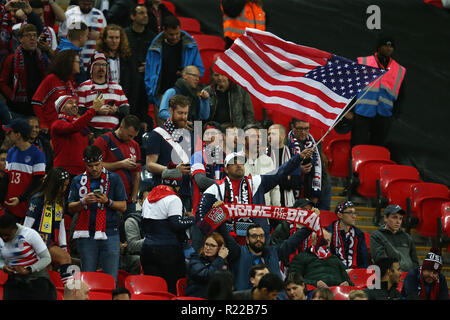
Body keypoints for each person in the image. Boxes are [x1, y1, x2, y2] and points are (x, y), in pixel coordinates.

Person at [194, 147, 314, 250]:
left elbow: (280, 172)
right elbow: (201, 219)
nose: (239, 165)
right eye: (234, 163)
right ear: (226, 169)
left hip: (256, 240)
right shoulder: (215, 189)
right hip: (227, 243)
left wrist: (298, 158)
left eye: (241, 162)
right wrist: (215, 216)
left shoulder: (256, 182)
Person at [68, 145, 127, 282]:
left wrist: (108, 202)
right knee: (87, 278)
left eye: (97, 165)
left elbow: (123, 207)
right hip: (86, 234)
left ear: (102, 162)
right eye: (90, 165)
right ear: (84, 163)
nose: (94, 169)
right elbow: (70, 208)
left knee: (110, 279)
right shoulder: (77, 181)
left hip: (110, 232)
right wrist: (82, 202)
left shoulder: (114, 179)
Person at [140, 162, 195, 294]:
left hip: (147, 250)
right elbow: (176, 224)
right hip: (167, 252)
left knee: (153, 291)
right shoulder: (173, 198)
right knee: (170, 291)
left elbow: (142, 224)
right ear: (177, 184)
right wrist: (193, 219)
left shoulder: (148, 197)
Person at [144, 15, 204, 125]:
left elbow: (200, 70)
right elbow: (149, 74)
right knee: (164, 134)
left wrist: (186, 73)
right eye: (171, 34)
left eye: (177, 33)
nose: (175, 37)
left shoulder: (190, 45)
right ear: (164, 31)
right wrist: (151, 94)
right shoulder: (154, 48)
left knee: (188, 133)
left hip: (185, 96)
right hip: (161, 96)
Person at [351, 36, 406, 147]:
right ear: (379, 47)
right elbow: (352, 87)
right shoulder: (363, 62)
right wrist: (348, 110)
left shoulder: (399, 69)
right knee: (358, 146)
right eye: (385, 45)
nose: (388, 48)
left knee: (377, 147)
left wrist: (394, 115)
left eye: (391, 46)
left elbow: (401, 95)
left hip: (384, 115)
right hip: (362, 113)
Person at [23, 167, 73, 284]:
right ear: (55, 185)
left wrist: (64, 246)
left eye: (66, 186)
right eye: (63, 186)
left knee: (47, 273)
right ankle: (69, 291)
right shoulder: (38, 200)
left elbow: (60, 224)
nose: (65, 189)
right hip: (36, 243)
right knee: (65, 258)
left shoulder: (59, 201)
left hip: (49, 242)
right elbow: (26, 227)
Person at [145, 95, 194, 212]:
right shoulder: (157, 134)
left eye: (186, 113)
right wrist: (173, 170)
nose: (183, 117)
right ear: (171, 110)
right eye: (180, 113)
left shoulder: (189, 135)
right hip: (163, 192)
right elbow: (150, 165)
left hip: (186, 192)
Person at [0, 213, 57, 300]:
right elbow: (0, 259)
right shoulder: (1, 238)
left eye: (7, 235)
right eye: (1, 235)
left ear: (15, 229)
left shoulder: (29, 234)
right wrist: (3, 267)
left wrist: (29, 269)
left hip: (36, 278)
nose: (3, 238)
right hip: (15, 281)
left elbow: (46, 258)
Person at [94, 114, 142, 217]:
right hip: (107, 197)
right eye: (129, 135)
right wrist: (120, 164)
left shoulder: (135, 145)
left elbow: (137, 173)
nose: (131, 139)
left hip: (128, 200)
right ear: (121, 127)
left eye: (134, 136)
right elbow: (94, 166)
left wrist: (134, 197)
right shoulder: (104, 140)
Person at [0, 118, 46, 224]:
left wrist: (20, 199)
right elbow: (6, 179)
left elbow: (37, 183)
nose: (7, 135)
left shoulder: (37, 154)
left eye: (10, 132)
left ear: (18, 135)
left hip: (27, 209)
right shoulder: (11, 152)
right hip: (9, 207)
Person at [0, 23, 50, 119]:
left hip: (38, 107)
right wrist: (12, 97)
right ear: (20, 39)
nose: (32, 38)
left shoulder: (42, 58)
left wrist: (48, 50)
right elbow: (2, 83)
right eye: (28, 35)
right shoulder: (11, 59)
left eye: (34, 35)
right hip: (17, 109)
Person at [77, 52, 130, 137]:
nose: (101, 67)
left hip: (114, 132)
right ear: (92, 67)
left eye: (104, 65)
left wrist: (115, 111)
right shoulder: (84, 87)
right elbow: (79, 112)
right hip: (92, 133)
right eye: (97, 64)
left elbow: (126, 110)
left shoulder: (117, 87)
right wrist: (96, 111)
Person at [50, 94, 103, 177]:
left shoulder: (81, 126)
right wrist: (93, 109)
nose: (75, 105)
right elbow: (73, 127)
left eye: (75, 103)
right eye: (70, 103)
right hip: (63, 171)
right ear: (62, 108)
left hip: (81, 172)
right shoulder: (57, 124)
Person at [287, 118, 331, 210]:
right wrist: (299, 170)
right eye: (300, 128)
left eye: (306, 129)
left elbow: (322, 170)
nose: (303, 132)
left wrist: (316, 195)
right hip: (292, 189)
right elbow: (279, 169)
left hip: (313, 189)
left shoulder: (316, 143)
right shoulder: (286, 143)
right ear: (292, 127)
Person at [124, 4, 156, 130]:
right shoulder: (124, 34)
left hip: (145, 79)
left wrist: (149, 66)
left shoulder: (152, 37)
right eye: (141, 13)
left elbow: (157, 59)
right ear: (132, 16)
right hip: (127, 77)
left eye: (146, 13)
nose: (145, 16)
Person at [32, 49, 80, 130]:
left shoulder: (71, 81)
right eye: (77, 62)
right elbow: (36, 102)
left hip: (66, 128)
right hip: (51, 129)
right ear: (69, 63)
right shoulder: (51, 79)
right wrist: (43, 123)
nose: (80, 65)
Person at [288, 235, 355, 289]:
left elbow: (349, 282)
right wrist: (315, 283)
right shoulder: (301, 257)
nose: (326, 244)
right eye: (322, 240)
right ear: (313, 241)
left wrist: (347, 284)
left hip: (338, 292)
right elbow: (293, 279)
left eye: (328, 241)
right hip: (315, 292)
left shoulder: (334, 259)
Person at [58, 0, 107, 71]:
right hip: (74, 60)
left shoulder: (99, 14)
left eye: (89, 4)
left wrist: (98, 36)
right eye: (84, 4)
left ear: (94, 3)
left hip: (94, 60)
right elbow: (61, 37)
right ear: (79, 2)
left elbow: (106, 36)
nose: (86, 7)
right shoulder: (69, 14)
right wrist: (77, 36)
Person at [370, 204, 419, 272]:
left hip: (408, 277)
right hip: (389, 277)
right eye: (394, 217)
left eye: (400, 218)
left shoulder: (407, 237)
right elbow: (381, 261)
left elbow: (415, 262)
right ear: (385, 218)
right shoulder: (376, 236)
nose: (398, 222)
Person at [190, 121, 226, 215]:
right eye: (207, 134)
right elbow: (201, 181)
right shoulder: (198, 156)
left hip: (223, 209)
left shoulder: (227, 157)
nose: (210, 137)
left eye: (214, 133)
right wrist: (225, 186)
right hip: (202, 209)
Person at [243, 123, 280, 208]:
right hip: (243, 211)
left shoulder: (268, 160)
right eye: (253, 137)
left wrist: (277, 208)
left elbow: (274, 187)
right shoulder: (236, 160)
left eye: (259, 137)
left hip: (264, 212)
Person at [326, 200, 370, 269]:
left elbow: (364, 260)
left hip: (355, 273)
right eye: (350, 213)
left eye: (355, 213)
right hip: (333, 272)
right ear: (340, 215)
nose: (354, 216)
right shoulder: (328, 232)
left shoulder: (359, 234)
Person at [185, 232, 230, 298]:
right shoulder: (195, 260)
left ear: (220, 248)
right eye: (206, 244)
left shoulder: (220, 263)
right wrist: (220, 258)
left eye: (212, 245)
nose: (208, 248)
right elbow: (207, 276)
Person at [95, 24, 133, 97]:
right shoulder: (97, 59)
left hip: (123, 98)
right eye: (111, 38)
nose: (114, 41)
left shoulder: (127, 59)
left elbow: (133, 84)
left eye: (117, 38)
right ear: (104, 39)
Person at [267, 123, 296, 208]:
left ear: (283, 136)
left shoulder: (292, 154)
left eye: (273, 134)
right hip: (268, 202)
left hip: (286, 202)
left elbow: (292, 182)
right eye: (268, 134)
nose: (270, 136)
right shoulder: (263, 154)